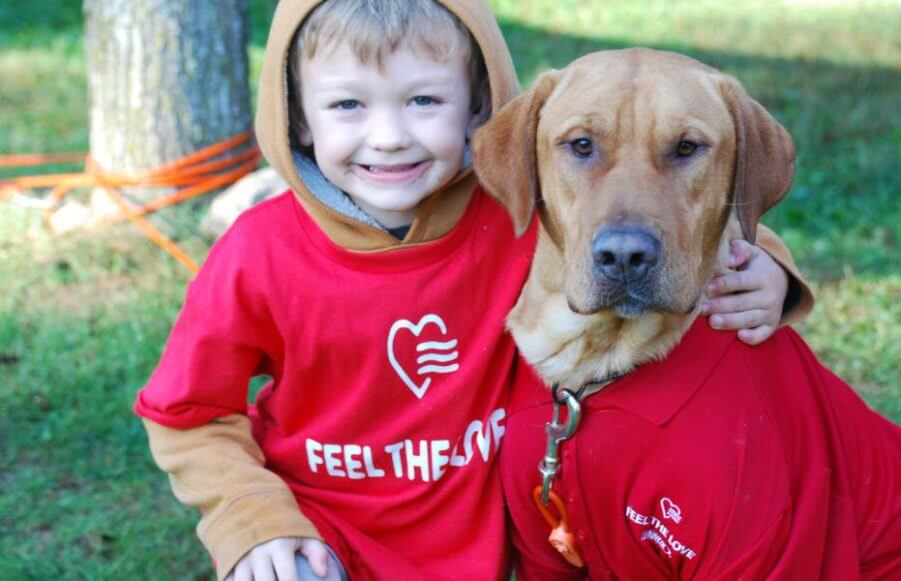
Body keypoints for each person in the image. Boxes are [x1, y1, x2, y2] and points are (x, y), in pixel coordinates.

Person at [133, 1, 811, 579]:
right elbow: (186, 411)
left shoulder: (518, 212)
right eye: (347, 105)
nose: (390, 136)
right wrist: (250, 517)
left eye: (424, 100)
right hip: (316, 533)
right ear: (299, 117)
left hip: (492, 557)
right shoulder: (258, 254)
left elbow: (672, 229)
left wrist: (770, 268)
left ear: (479, 108)